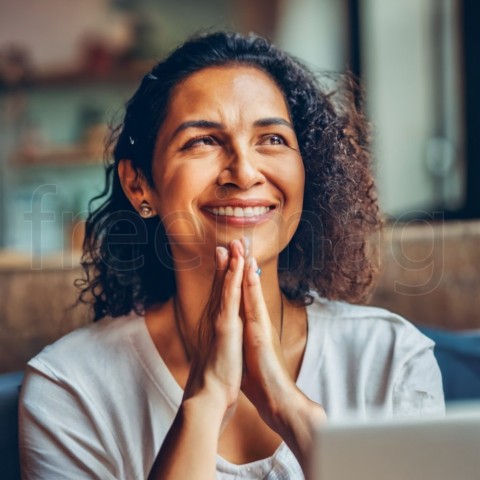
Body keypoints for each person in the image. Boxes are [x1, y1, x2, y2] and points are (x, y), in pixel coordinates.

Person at [19, 31, 444, 479]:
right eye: (202, 141)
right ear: (139, 185)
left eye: (273, 139)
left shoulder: (391, 359)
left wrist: (294, 412)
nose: (244, 172)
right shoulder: (69, 389)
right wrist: (203, 407)